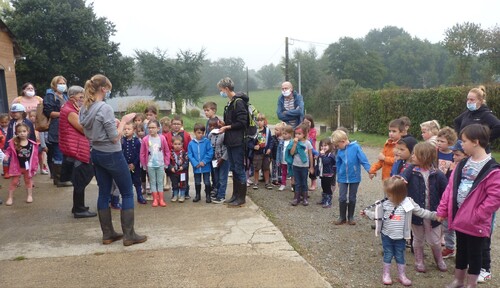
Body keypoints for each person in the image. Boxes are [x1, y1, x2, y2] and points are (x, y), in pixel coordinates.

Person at [79, 74, 146, 246]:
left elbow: (91, 130)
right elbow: (116, 138)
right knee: (127, 192)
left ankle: (108, 234)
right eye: (109, 89)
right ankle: (129, 235)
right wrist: (123, 122)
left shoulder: (84, 108)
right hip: (112, 154)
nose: (109, 92)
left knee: (104, 192)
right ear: (104, 89)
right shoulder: (104, 108)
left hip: (96, 152)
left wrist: (114, 123)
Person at [436, 124, 500, 287]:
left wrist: (478, 215)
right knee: (462, 249)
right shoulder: (463, 163)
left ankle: (471, 284)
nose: (461, 145)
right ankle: (458, 280)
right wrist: (443, 209)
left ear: (476, 142)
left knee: (475, 253)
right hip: (460, 218)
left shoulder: (492, 169)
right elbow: (450, 188)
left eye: (464, 141)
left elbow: (495, 197)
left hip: (476, 221)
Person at [361, 176, 437, 286]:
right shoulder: (385, 203)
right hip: (387, 235)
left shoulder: (408, 202)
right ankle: (386, 274)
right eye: (387, 194)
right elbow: (378, 216)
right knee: (388, 254)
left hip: (401, 236)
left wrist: (434, 215)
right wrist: (367, 213)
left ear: (400, 193)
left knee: (400, 255)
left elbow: (421, 212)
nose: (388, 196)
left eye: (390, 194)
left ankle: (402, 275)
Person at [400, 142, 448, 273]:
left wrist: (445, 210)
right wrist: (401, 180)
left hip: (434, 213)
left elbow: (447, 192)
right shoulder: (411, 170)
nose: (412, 156)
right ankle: (419, 260)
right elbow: (402, 178)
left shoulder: (438, 174)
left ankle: (439, 259)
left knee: (434, 240)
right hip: (417, 213)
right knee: (418, 238)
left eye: (416, 154)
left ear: (425, 157)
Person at [58, 85, 97, 218]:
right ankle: (79, 209)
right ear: (72, 97)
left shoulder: (69, 108)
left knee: (81, 176)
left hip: (75, 146)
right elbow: (82, 128)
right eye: (81, 97)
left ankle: (78, 206)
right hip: (77, 148)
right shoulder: (70, 111)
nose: (83, 99)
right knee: (83, 176)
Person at [217, 77, 248, 207]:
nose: (221, 93)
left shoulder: (239, 102)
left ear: (227, 89)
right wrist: (225, 124)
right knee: (234, 168)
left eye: (221, 90)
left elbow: (242, 122)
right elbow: (233, 121)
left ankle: (241, 197)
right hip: (230, 141)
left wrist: (227, 127)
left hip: (238, 141)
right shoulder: (230, 103)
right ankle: (235, 195)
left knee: (239, 168)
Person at [331, 129, 371, 225]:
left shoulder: (356, 147)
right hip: (343, 178)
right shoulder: (340, 151)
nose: (336, 147)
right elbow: (338, 163)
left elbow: (363, 160)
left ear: (343, 141)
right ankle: (342, 217)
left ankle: (351, 217)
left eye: (337, 145)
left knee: (352, 197)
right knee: (342, 197)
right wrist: (339, 178)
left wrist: (370, 170)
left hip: (354, 177)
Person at [441, 140, 467, 259]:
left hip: (462, 204)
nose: (454, 157)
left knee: (462, 230)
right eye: (454, 154)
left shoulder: (468, 170)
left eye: (457, 155)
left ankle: (463, 252)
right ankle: (449, 247)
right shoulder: (453, 165)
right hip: (450, 201)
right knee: (447, 226)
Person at [454, 86, 500, 152]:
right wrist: (461, 138)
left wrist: (484, 139)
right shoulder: (467, 113)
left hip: (480, 152)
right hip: (466, 151)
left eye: (472, 100)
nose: (469, 102)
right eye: (468, 99)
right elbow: (456, 121)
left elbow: (498, 126)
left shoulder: (485, 114)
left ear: (480, 101)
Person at [3, 123, 38, 206]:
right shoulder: (14, 143)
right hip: (17, 166)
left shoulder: (32, 144)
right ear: (16, 133)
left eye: (24, 131)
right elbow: (8, 151)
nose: (22, 133)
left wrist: (35, 167)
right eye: (19, 132)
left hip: (27, 167)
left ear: (28, 132)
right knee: (14, 182)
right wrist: (7, 156)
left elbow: (35, 156)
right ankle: (10, 197)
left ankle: (29, 195)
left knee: (28, 181)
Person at [43, 75, 69, 186]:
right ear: (54, 84)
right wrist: (65, 114)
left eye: (64, 83)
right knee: (58, 153)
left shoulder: (64, 96)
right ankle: (58, 179)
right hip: (56, 128)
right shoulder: (50, 96)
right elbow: (49, 113)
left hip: (65, 128)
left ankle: (63, 177)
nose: (62, 85)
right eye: (60, 83)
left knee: (64, 153)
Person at [140, 119, 170, 207]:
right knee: (152, 182)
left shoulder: (162, 138)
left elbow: (167, 151)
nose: (151, 129)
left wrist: (166, 163)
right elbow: (142, 153)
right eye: (149, 128)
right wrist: (144, 164)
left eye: (153, 127)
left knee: (160, 182)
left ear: (158, 128)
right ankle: (155, 199)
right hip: (150, 165)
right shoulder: (145, 139)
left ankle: (161, 199)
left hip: (160, 164)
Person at [286, 123, 314, 206]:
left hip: (304, 166)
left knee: (304, 182)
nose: (297, 135)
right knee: (297, 182)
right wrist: (294, 144)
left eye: (299, 134)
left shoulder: (308, 143)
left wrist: (311, 166)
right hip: (296, 165)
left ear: (304, 134)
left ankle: (305, 198)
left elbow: (310, 155)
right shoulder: (294, 142)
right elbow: (291, 153)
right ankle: (296, 198)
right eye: (296, 134)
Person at [165, 115, 192, 200]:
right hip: (172, 159)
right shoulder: (167, 136)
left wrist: (186, 159)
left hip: (182, 160)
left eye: (178, 124)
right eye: (174, 124)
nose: (176, 126)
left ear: (181, 125)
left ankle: (185, 193)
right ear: (171, 125)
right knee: (174, 179)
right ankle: (175, 193)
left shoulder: (186, 135)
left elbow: (188, 147)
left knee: (184, 177)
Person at [122, 122, 147, 205]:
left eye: (129, 129)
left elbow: (139, 153)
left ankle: (140, 196)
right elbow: (121, 153)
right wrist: (126, 164)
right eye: (125, 129)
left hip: (135, 166)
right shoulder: (122, 141)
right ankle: (128, 198)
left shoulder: (136, 141)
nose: (126, 131)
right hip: (125, 166)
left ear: (133, 131)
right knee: (126, 182)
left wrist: (134, 164)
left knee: (137, 181)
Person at [188, 123, 213, 203]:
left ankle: (208, 195)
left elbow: (210, 152)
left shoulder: (207, 142)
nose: (201, 134)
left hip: (205, 166)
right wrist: (195, 163)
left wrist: (204, 161)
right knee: (197, 181)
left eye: (202, 133)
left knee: (207, 181)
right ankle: (197, 195)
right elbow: (190, 155)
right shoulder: (191, 143)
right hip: (197, 167)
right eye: (199, 133)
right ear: (194, 132)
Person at [207, 118, 229, 204]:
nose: (212, 128)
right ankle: (217, 193)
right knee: (216, 178)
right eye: (210, 126)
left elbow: (227, 149)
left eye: (214, 126)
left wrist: (222, 159)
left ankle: (221, 196)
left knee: (222, 178)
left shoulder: (224, 135)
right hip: (214, 160)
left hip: (223, 159)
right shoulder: (211, 135)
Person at [251, 113, 273, 190]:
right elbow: (250, 142)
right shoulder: (255, 131)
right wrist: (254, 146)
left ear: (264, 121)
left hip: (266, 153)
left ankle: (267, 182)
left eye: (261, 120)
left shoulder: (267, 130)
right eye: (258, 120)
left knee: (266, 168)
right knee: (256, 168)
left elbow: (271, 141)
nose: (260, 122)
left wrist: (270, 148)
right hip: (257, 153)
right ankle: (256, 182)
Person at [168, 135, 189, 203]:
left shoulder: (184, 153)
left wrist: (183, 167)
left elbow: (186, 161)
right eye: (175, 144)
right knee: (174, 184)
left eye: (179, 144)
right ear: (172, 144)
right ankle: (175, 195)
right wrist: (171, 168)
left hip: (182, 172)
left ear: (182, 144)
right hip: (174, 172)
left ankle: (182, 195)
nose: (177, 146)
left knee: (183, 184)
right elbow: (168, 162)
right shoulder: (170, 153)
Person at [316, 138, 336, 208]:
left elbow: (325, 162)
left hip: (328, 175)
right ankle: (324, 199)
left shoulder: (331, 155)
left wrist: (322, 155)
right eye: (322, 146)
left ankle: (328, 201)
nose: (323, 147)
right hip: (322, 173)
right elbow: (319, 163)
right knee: (323, 187)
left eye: (325, 146)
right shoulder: (322, 154)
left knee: (327, 188)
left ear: (330, 146)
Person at [303, 114, 318, 191]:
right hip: (304, 151)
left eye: (308, 122)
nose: (307, 124)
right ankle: (304, 183)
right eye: (305, 122)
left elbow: (309, 140)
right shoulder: (302, 130)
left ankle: (313, 183)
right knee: (304, 168)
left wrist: (307, 130)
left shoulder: (313, 130)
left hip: (312, 151)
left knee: (312, 168)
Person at [278, 124, 293, 191]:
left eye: (285, 134)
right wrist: (278, 160)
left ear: (290, 134)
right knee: (283, 172)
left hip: (290, 161)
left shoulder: (292, 142)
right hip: (283, 160)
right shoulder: (281, 142)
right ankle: (283, 184)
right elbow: (278, 151)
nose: (283, 135)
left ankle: (293, 185)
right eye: (283, 133)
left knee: (292, 173)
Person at [271, 122, 285, 186]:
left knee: (280, 168)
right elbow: (271, 146)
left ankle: (280, 179)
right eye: (275, 129)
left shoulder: (284, 139)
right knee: (274, 167)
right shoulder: (273, 138)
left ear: (282, 131)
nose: (275, 131)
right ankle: (274, 179)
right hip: (274, 156)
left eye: (277, 130)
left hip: (281, 156)